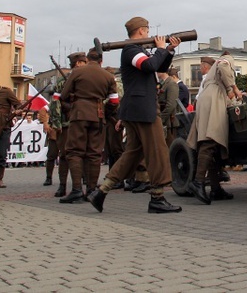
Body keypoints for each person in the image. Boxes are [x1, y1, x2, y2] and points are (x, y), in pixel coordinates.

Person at [87, 16, 182, 214]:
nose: (148, 33)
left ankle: (101, 192)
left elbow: (160, 67)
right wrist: (160, 49)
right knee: (158, 151)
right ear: (141, 31)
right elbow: (149, 66)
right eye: (147, 30)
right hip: (143, 109)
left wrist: (168, 50)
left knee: (132, 154)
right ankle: (157, 197)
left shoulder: (136, 51)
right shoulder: (131, 50)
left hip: (137, 108)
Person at [60, 48, 119, 203]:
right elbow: (114, 101)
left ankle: (77, 190)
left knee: (74, 152)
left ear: (88, 58)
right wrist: (106, 113)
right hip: (98, 115)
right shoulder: (108, 76)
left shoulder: (77, 73)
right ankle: (92, 190)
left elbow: (63, 96)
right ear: (101, 60)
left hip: (79, 114)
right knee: (94, 154)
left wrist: (72, 108)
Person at [186, 51, 242, 204]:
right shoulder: (227, 59)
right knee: (210, 140)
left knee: (214, 147)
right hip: (213, 99)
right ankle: (198, 182)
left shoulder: (211, 74)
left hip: (209, 98)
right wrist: (234, 88)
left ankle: (215, 188)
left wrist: (230, 92)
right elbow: (224, 67)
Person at [50, 52, 87, 197]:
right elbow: (55, 103)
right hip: (66, 123)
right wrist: (57, 123)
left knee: (83, 154)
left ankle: (83, 185)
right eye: (83, 62)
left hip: (82, 120)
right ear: (78, 63)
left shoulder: (85, 79)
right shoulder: (61, 82)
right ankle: (62, 185)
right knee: (65, 155)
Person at [157, 70, 180, 147]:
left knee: (170, 149)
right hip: (165, 122)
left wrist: (161, 118)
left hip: (170, 123)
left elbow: (171, 105)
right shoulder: (162, 83)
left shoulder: (171, 84)